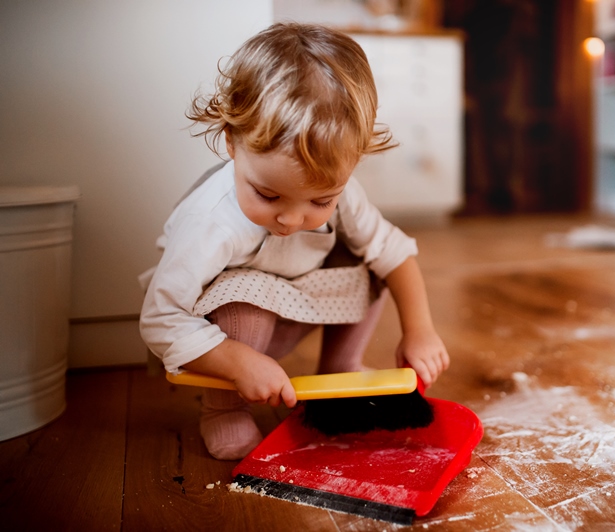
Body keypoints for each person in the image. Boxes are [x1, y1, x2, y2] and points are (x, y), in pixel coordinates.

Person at [139, 23, 450, 460]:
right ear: (231, 140)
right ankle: (224, 407)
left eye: (320, 200)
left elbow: (395, 253)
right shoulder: (210, 222)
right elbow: (159, 318)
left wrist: (420, 331)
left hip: (298, 302)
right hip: (230, 331)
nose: (290, 219)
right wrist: (236, 362)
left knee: (370, 263)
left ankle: (338, 372)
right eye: (268, 195)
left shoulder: (345, 195)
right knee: (241, 307)